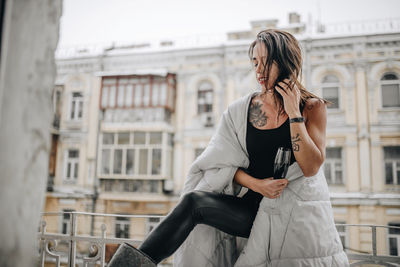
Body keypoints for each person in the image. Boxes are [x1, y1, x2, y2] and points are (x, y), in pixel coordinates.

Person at [108, 29, 349, 267]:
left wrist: (294, 113)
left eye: (266, 62)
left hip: (293, 213)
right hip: (250, 210)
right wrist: (257, 185)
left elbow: (310, 167)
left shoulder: (311, 108)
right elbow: (218, 164)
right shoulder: (241, 111)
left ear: (286, 62)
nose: (258, 70)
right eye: (255, 62)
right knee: (193, 202)